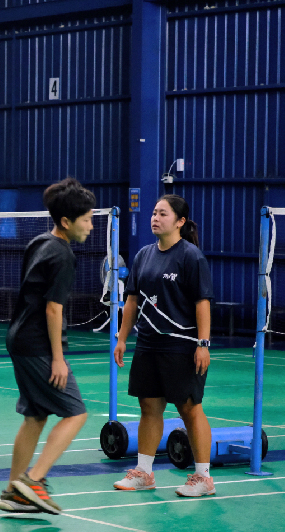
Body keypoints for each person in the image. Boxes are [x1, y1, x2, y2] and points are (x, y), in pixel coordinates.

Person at [0, 178, 94, 515]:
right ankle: (33, 480)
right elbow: (54, 309)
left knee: (35, 416)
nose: (91, 226)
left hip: (19, 338)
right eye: (86, 220)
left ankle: (13, 491)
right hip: (38, 344)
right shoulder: (63, 255)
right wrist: (58, 358)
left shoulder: (40, 242)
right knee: (76, 413)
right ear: (66, 221)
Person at [113, 194, 215, 497]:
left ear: (180, 222)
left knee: (190, 409)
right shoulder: (143, 255)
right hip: (148, 344)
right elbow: (132, 301)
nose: (155, 218)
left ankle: (203, 478)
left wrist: (203, 344)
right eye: (154, 213)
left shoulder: (191, 256)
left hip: (182, 346)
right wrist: (122, 337)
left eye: (163, 214)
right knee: (149, 407)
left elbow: (202, 303)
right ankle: (144, 472)